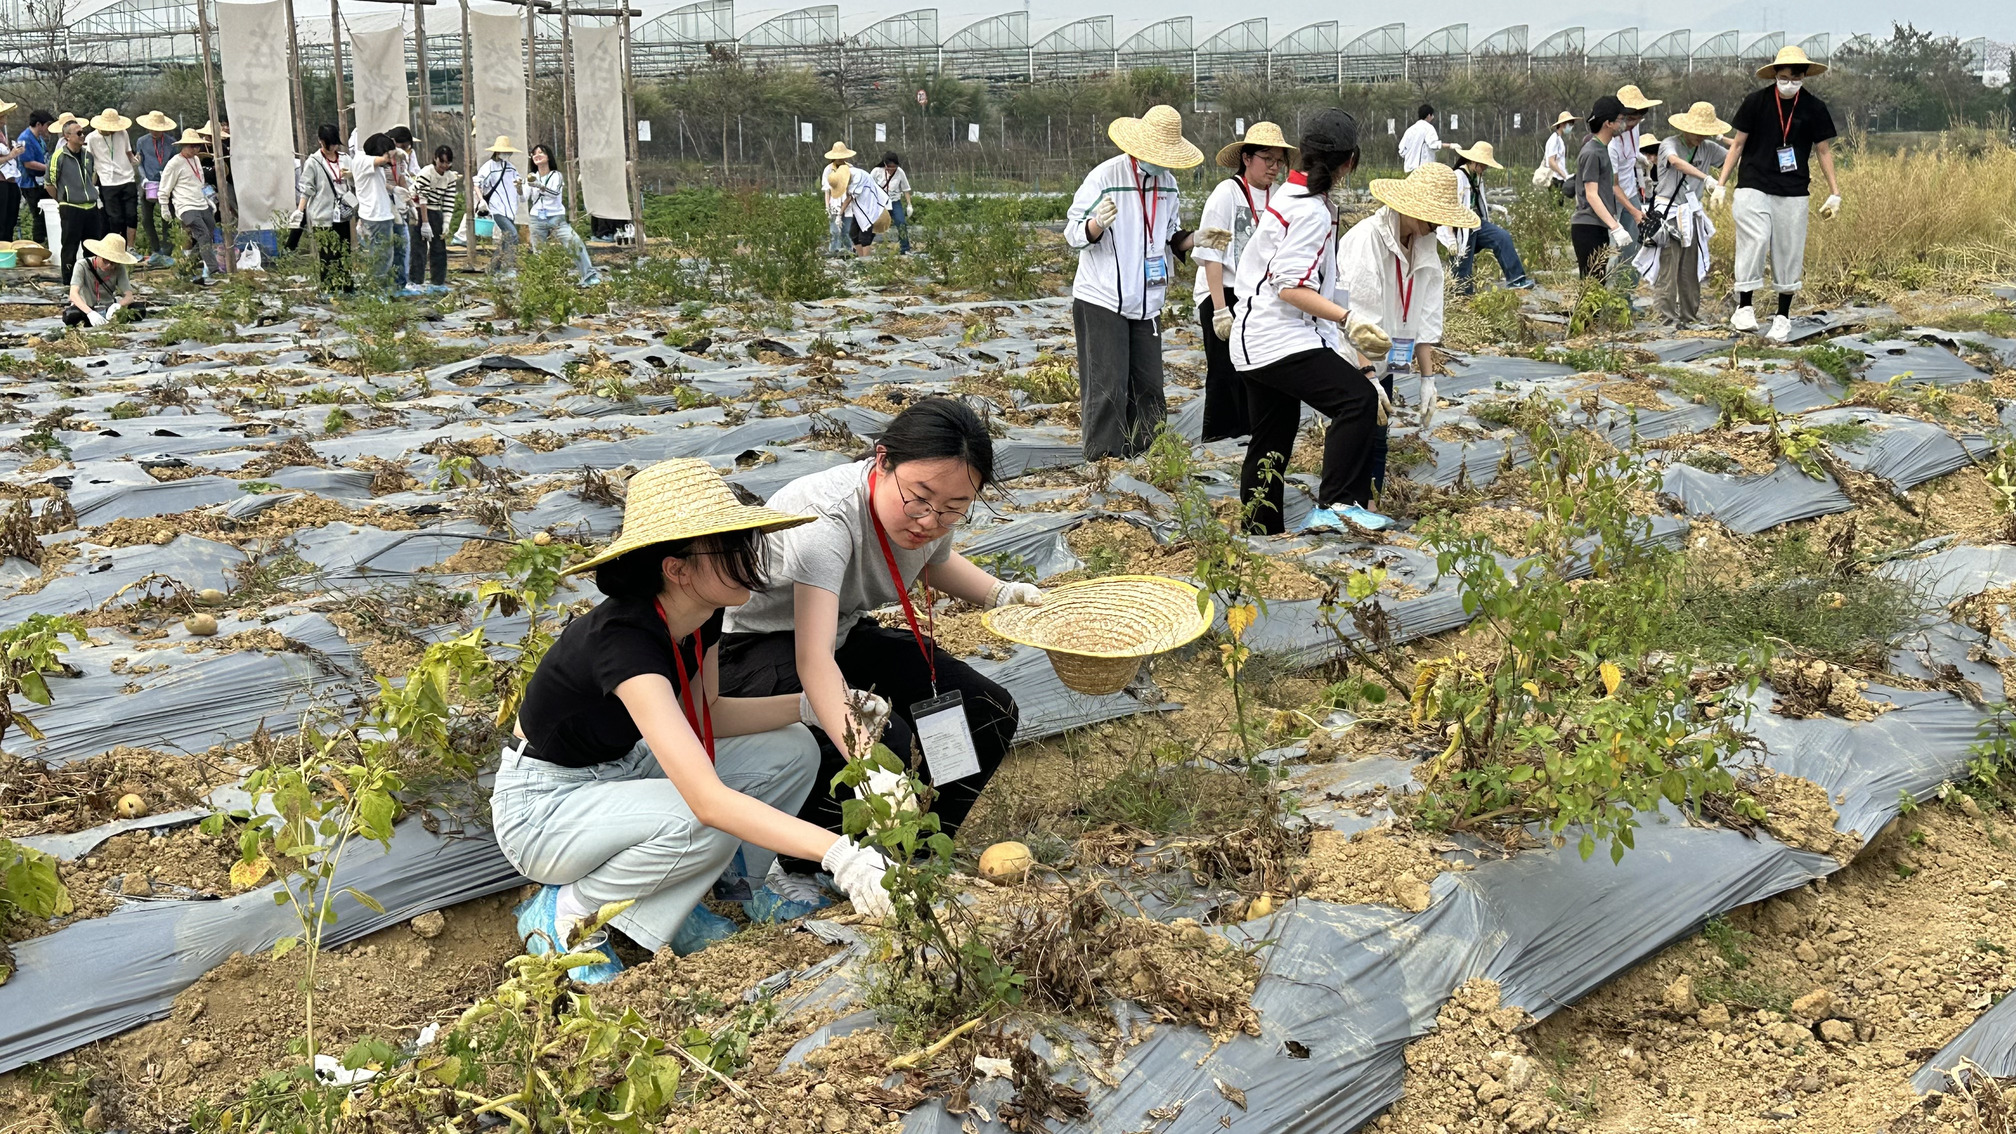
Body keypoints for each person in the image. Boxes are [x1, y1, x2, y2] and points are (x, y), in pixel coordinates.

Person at [494, 458, 899, 981]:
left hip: (620, 770)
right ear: (676, 568)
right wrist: (841, 855)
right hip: (544, 808)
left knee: (792, 748)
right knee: (703, 817)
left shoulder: (699, 616)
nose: (748, 555)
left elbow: (707, 714)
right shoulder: (624, 643)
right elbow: (707, 801)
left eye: (743, 540)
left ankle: (731, 891)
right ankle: (566, 912)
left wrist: (812, 709)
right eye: (729, 547)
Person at [717, 398, 1033, 912]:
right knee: (879, 740)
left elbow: (935, 560)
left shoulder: (931, 507)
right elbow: (814, 661)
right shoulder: (825, 517)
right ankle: (799, 862)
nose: (931, 520)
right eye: (921, 499)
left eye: (954, 508)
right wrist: (870, 765)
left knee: (984, 708)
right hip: (753, 646)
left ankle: (915, 852)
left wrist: (1001, 593)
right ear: (882, 460)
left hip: (841, 630)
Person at [1228, 110, 1381, 535]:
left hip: (1258, 335)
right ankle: (1337, 507)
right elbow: (1291, 287)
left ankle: (1261, 534)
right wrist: (1349, 319)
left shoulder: (1294, 197)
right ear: (1349, 162)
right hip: (1277, 336)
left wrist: (1348, 353)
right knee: (1356, 401)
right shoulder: (1310, 210)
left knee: (1272, 438)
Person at [1066, 104, 1205, 461]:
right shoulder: (1105, 177)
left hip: (1147, 299)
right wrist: (1097, 224)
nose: (1161, 163)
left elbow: (1169, 235)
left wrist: (1195, 239)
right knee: (1108, 385)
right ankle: (1105, 459)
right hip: (1102, 297)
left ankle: (1148, 454)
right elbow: (1073, 233)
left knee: (1149, 384)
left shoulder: (1168, 183)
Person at [1713, 45, 1842, 343]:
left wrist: (1835, 192)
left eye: (1795, 78)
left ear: (1804, 76)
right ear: (1774, 75)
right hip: (1753, 182)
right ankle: (1744, 306)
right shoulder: (1755, 102)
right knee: (1756, 238)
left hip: (1793, 188)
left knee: (1788, 248)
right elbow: (1737, 144)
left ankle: (1782, 317)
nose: (1789, 83)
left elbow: (1823, 150)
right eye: (1784, 77)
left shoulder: (1814, 107)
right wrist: (1721, 183)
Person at [1194, 121, 1295, 443]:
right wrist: (1219, 310)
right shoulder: (1226, 194)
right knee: (1224, 372)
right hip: (1222, 291)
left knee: (1256, 367)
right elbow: (1211, 254)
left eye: (1279, 161)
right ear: (1247, 158)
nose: (1274, 167)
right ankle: (1217, 441)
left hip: (1257, 294)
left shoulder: (1280, 196)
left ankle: (1252, 437)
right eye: (1267, 159)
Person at [1635, 103, 1730, 328]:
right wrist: (1706, 178)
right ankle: (1666, 318)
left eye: (1705, 132)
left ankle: (1690, 316)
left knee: (1690, 268)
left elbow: (1736, 153)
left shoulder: (1708, 147)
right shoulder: (1669, 144)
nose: (1700, 136)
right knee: (1668, 267)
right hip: (1669, 213)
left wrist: (1723, 139)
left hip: (1691, 213)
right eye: (1697, 131)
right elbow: (1676, 162)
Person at [1444, 141, 1532, 293]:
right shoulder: (1458, 176)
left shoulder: (1477, 176)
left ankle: (1516, 279)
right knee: (1462, 269)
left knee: (1502, 237)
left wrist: (1492, 207)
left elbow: (1474, 201)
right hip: (1461, 227)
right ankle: (1461, 296)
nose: (1484, 168)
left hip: (1476, 223)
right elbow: (1450, 207)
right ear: (1473, 161)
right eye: (1483, 164)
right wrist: (1450, 236)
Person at [1569, 96, 1642, 279]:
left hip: (1597, 225)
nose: (1624, 124)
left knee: (1597, 283)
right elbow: (1591, 194)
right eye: (1620, 119)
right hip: (1587, 226)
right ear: (1608, 123)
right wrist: (1615, 227)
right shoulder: (1592, 152)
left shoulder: (1603, 149)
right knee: (1591, 284)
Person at [526, 143, 602, 286]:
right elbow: (523, 198)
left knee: (574, 242)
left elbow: (555, 193)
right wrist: (519, 188)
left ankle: (589, 276)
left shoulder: (556, 175)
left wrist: (540, 186)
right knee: (539, 252)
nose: (537, 156)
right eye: (534, 154)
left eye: (541, 153)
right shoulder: (531, 177)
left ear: (548, 156)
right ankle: (543, 282)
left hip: (556, 218)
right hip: (536, 218)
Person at [291, 124, 353, 294]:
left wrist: (351, 176)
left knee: (344, 252)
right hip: (322, 214)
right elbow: (307, 188)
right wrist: (300, 211)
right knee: (327, 255)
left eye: (335, 143)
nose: (333, 147)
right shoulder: (314, 162)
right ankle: (329, 290)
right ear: (320, 141)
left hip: (343, 214)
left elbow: (354, 183)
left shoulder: (345, 158)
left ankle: (347, 288)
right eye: (329, 144)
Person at [156, 128, 220, 281]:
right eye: (192, 146)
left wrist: (209, 199)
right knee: (202, 233)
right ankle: (212, 269)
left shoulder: (196, 159)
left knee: (210, 232)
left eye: (197, 146)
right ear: (183, 146)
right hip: (185, 205)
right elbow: (164, 186)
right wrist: (164, 206)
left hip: (201, 202)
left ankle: (187, 266)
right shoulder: (174, 163)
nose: (195, 149)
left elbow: (200, 183)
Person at [46, 117, 104, 284]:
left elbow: (92, 177)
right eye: (78, 133)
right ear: (67, 136)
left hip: (91, 207)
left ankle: (92, 281)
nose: (82, 135)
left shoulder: (88, 155)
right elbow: (49, 183)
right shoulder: (59, 157)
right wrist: (62, 199)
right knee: (70, 247)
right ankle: (68, 283)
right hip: (71, 207)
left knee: (92, 247)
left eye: (83, 132)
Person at [349, 132, 399, 290]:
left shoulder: (370, 163)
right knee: (380, 256)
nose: (390, 160)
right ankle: (377, 290)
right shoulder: (362, 159)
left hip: (380, 214)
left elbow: (377, 184)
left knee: (384, 255)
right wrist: (394, 151)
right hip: (375, 215)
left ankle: (379, 289)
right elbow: (383, 159)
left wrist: (394, 189)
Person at [84, 109, 138, 253]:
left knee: (131, 215)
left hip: (127, 177)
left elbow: (128, 152)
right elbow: (89, 161)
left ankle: (131, 247)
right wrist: (92, 184)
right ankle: (116, 248)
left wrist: (134, 160)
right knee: (115, 218)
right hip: (107, 181)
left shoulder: (122, 133)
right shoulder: (92, 138)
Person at [63, 232, 143, 326]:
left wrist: (118, 305)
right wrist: (89, 312)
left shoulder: (119, 268)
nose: (109, 265)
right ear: (98, 255)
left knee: (139, 309)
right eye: (105, 261)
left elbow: (129, 297)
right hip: (87, 307)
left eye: (113, 263)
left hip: (109, 309)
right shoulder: (82, 265)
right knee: (71, 315)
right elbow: (73, 294)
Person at [474, 136, 523, 277]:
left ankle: (492, 269)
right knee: (512, 234)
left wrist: (520, 186)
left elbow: (518, 185)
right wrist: (481, 200)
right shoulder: (488, 167)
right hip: (497, 208)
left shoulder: (511, 167)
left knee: (506, 239)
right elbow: (477, 183)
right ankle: (509, 268)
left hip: (510, 208)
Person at [412, 144, 459, 289]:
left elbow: (449, 201)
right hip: (418, 208)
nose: (444, 165)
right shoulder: (426, 173)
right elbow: (422, 198)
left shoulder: (450, 177)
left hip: (435, 209)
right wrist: (425, 223)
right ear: (435, 159)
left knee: (439, 247)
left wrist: (446, 223)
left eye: (447, 162)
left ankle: (438, 282)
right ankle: (415, 281)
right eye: (441, 161)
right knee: (418, 248)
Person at [133, 111, 177, 265]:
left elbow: (174, 164)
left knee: (167, 217)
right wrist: (143, 179)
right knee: (146, 219)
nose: (155, 131)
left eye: (158, 129)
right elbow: (139, 162)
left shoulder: (171, 143)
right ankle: (155, 249)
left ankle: (167, 251)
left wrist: (169, 179)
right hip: (148, 184)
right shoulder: (141, 141)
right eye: (152, 128)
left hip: (166, 184)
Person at [388, 126, 420, 291]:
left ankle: (401, 283)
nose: (406, 150)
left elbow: (401, 178)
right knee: (388, 247)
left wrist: (410, 203)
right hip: (384, 205)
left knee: (403, 244)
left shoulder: (400, 158)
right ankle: (388, 283)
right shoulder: (379, 156)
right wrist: (393, 189)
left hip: (399, 205)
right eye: (404, 146)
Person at [14, 110, 53, 248]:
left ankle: (47, 241)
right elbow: (28, 163)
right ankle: (39, 244)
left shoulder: (39, 139)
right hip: (29, 183)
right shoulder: (24, 139)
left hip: (41, 181)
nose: (48, 128)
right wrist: (49, 168)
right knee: (38, 215)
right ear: (38, 124)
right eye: (47, 125)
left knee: (46, 213)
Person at [872, 151, 912, 255]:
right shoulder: (876, 171)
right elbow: (869, 186)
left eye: (894, 167)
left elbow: (906, 189)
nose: (891, 169)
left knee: (901, 223)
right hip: (880, 203)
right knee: (875, 224)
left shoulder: (900, 172)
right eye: (889, 167)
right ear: (884, 164)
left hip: (894, 201)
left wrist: (909, 204)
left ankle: (905, 247)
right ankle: (865, 245)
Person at [1398, 104, 1457, 173]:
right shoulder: (1428, 128)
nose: (1433, 117)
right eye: (1432, 115)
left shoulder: (1409, 130)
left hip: (1409, 170)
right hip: (1423, 170)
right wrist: (1450, 145)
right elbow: (1433, 144)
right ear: (1428, 115)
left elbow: (1401, 150)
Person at [1541, 111, 1575, 199]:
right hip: (1555, 179)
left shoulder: (1559, 139)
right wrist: (1564, 175)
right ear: (1563, 124)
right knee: (1556, 203)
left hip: (1559, 179)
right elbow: (1551, 162)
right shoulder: (1554, 139)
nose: (1571, 126)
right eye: (1570, 124)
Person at [0, 101, 21, 243]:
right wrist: (11, 155)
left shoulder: (2, 134)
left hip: (9, 180)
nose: (6, 117)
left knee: (10, 218)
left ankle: (7, 245)